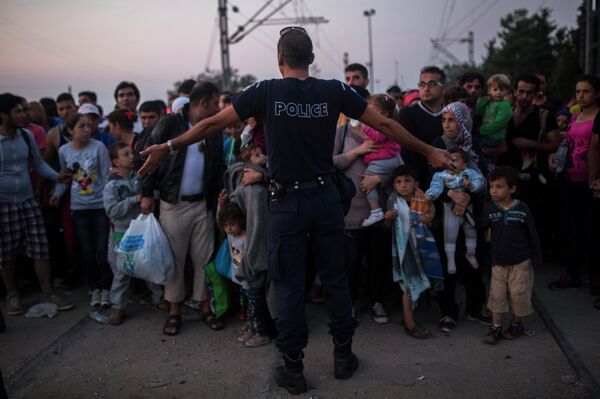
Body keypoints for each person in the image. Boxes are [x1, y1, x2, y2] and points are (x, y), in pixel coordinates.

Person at [138, 26, 451, 395]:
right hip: (325, 200)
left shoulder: (265, 91)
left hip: (286, 202)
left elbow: (212, 123)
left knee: (288, 283)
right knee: (334, 279)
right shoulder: (334, 90)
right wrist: (429, 151)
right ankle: (342, 356)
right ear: (312, 59)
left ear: (279, 58)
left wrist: (168, 146)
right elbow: (383, 123)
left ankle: (293, 368)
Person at [139, 81, 225, 336]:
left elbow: (217, 167)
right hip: (173, 204)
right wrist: (146, 194)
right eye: (215, 103)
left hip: (203, 205)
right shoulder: (170, 125)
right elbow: (148, 159)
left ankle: (205, 307)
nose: (217, 108)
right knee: (175, 261)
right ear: (203, 103)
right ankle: (174, 312)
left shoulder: (214, 131)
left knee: (204, 260)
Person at [0, 93, 74, 316]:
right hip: (4, 204)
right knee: (6, 251)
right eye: (18, 111)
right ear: (3, 115)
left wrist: (57, 177)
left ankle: (47, 292)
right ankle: (12, 295)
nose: (25, 115)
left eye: (25, 110)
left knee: (40, 246)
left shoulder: (25, 136)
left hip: (27, 200)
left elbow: (38, 164)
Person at [333, 85, 391, 324]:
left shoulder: (382, 129)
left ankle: (377, 302)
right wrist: (359, 151)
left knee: (378, 259)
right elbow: (330, 163)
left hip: (378, 208)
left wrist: (380, 178)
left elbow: (398, 165)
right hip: (349, 210)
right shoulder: (341, 130)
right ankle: (349, 305)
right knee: (350, 262)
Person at [431, 102, 490, 328]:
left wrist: (467, 198)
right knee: (449, 262)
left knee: (473, 261)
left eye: (452, 120)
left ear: (463, 122)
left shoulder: (473, 145)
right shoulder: (438, 145)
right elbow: (433, 176)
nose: (447, 125)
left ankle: (475, 308)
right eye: (444, 120)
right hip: (446, 213)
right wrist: (453, 194)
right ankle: (448, 312)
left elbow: (481, 176)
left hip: (471, 212)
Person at [95, 143, 163, 325]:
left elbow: (153, 193)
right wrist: (135, 199)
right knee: (121, 271)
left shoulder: (140, 178)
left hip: (142, 229)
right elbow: (112, 211)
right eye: (125, 154)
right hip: (122, 232)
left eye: (131, 153)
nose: (132, 157)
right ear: (116, 161)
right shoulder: (111, 186)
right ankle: (118, 307)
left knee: (149, 263)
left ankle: (160, 299)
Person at [51, 113, 112, 307]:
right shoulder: (63, 151)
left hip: (100, 206)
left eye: (89, 125)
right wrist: (57, 194)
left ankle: (106, 289)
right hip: (79, 208)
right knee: (86, 251)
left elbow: (106, 176)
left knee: (102, 251)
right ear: (70, 130)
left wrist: (109, 203)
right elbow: (66, 177)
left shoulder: (99, 147)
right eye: (82, 126)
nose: (88, 129)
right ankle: (94, 288)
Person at [548, 75, 600, 290]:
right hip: (570, 179)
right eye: (578, 91)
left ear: (597, 94)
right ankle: (573, 274)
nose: (581, 95)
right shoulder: (575, 116)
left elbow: (595, 150)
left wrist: (595, 179)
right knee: (573, 229)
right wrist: (556, 158)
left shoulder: (599, 117)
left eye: (586, 91)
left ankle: (596, 277)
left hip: (591, 183)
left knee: (593, 230)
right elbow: (567, 144)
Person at [481, 166, 541, 344]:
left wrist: (536, 257)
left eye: (499, 186)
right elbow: (482, 231)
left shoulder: (522, 209)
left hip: (520, 261)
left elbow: (533, 234)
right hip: (498, 261)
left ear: (512, 189)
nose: (494, 191)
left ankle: (516, 323)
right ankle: (495, 327)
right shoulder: (489, 208)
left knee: (518, 294)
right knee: (497, 294)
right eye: (491, 186)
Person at [384, 165, 444, 339]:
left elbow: (435, 225)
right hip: (404, 251)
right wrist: (387, 219)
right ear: (394, 185)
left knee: (416, 282)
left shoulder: (425, 199)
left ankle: (409, 317)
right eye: (398, 182)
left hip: (423, 248)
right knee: (409, 285)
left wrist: (429, 222)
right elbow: (387, 230)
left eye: (407, 181)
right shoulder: (392, 201)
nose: (403, 185)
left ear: (416, 183)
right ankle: (410, 324)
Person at [218, 201, 271, 347]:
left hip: (251, 281)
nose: (229, 229)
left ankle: (261, 334)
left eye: (232, 224)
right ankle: (252, 329)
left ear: (240, 222)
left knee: (256, 309)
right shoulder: (231, 236)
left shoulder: (247, 239)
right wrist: (220, 203)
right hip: (241, 281)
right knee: (248, 307)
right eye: (226, 225)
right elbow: (220, 215)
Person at [425, 149, 485, 274]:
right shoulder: (441, 175)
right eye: (448, 160)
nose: (450, 163)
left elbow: (480, 182)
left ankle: (470, 252)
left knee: (471, 230)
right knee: (450, 232)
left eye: (454, 161)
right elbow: (436, 187)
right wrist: (430, 195)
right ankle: (450, 259)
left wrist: (471, 185)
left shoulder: (469, 173)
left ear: (464, 165)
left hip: (468, 208)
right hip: (450, 209)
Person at [398, 66, 446, 185]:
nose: (426, 88)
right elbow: (406, 150)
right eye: (422, 84)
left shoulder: (451, 113)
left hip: (448, 181)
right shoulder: (407, 113)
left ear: (443, 88)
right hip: (418, 182)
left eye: (432, 84)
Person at [360, 94, 403, 227]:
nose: (368, 114)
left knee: (367, 180)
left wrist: (364, 125)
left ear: (384, 113)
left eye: (371, 111)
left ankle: (375, 210)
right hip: (387, 160)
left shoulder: (384, 125)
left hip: (385, 160)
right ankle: (396, 207)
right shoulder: (386, 124)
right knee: (389, 188)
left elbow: (378, 137)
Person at [476, 74, 513, 168]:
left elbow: (498, 123)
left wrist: (481, 130)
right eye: (495, 90)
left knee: (475, 145)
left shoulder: (505, 105)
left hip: (495, 137)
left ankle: (488, 169)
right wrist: (485, 99)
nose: (498, 93)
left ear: (507, 91)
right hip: (488, 135)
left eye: (502, 90)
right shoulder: (490, 102)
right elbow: (478, 111)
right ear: (489, 90)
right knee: (485, 156)